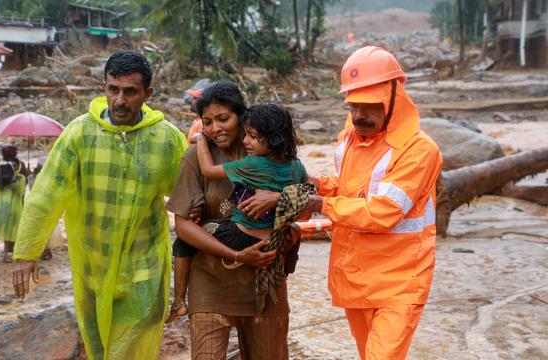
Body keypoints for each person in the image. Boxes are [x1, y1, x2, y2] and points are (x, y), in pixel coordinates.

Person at [11, 51, 187, 359]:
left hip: (144, 264)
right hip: (92, 264)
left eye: (130, 92)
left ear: (148, 93)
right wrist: (27, 251)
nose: (120, 100)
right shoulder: (79, 134)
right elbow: (47, 193)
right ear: (104, 87)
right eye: (113, 89)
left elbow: (190, 196)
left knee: (129, 345)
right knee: (98, 347)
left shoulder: (167, 140)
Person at [301, 46, 444, 359]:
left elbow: (383, 212)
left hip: (399, 282)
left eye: (369, 107)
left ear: (393, 98)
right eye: (353, 106)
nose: (358, 116)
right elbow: (350, 188)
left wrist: (318, 204)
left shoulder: (419, 150)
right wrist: (316, 183)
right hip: (356, 276)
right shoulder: (350, 137)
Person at [167, 80, 292, 359]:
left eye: (223, 119)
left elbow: (304, 202)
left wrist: (277, 200)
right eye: (207, 122)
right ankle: (178, 302)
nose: (215, 129)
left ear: (242, 116)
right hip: (211, 280)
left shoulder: (273, 155)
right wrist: (235, 254)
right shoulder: (196, 157)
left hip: (264, 282)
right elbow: (183, 226)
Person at [0, 144, 27, 262]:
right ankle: (2, 255)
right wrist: (1, 179)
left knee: (0, 229)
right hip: (12, 206)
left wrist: (5, 179)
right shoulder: (19, 171)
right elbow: (21, 191)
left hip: (1, 204)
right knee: (7, 230)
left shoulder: (7, 170)